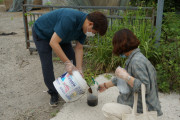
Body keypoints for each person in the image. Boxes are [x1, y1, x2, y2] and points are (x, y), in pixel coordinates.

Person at [32, 8, 108, 106]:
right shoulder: (69, 19)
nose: (93, 34)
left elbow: (79, 48)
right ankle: (53, 93)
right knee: (47, 64)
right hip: (43, 33)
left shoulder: (84, 29)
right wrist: (67, 63)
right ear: (90, 24)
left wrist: (79, 68)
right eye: (95, 32)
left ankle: (69, 87)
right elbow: (53, 42)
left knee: (74, 62)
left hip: (61, 36)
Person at [98, 29, 163, 119]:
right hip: (141, 104)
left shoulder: (136, 61)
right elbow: (122, 79)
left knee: (107, 109)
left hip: (141, 109)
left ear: (120, 45)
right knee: (119, 101)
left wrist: (126, 77)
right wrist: (106, 85)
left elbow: (145, 87)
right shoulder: (136, 57)